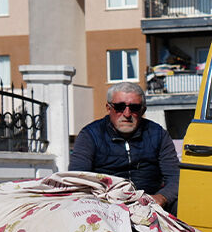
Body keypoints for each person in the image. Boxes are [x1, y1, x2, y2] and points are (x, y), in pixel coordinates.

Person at [69, 82, 179, 210]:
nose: (127, 114)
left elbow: (175, 177)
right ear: (108, 108)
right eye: (119, 107)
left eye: (134, 108)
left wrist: (162, 197)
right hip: (104, 205)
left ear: (143, 110)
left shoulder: (158, 134)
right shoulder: (90, 135)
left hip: (151, 204)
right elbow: (78, 179)